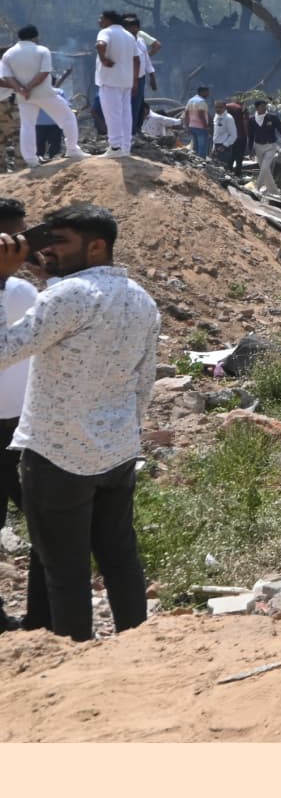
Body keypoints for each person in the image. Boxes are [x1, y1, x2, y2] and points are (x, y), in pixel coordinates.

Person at [0, 204, 159, 642]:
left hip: (56, 455)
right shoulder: (140, 298)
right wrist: (124, 432)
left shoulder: (66, 297)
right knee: (120, 559)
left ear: (96, 247)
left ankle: (75, 661)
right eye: (46, 241)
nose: (48, 250)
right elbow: (144, 382)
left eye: (61, 242)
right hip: (118, 453)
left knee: (65, 572)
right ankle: (138, 645)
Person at [0, 197, 33, 630]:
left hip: (19, 422)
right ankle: (50, 610)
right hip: (20, 424)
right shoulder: (22, 292)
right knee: (44, 518)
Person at [2, 26, 83, 166]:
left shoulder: (8, 54)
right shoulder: (42, 50)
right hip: (44, 93)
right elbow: (45, 72)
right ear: (35, 37)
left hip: (24, 96)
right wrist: (30, 87)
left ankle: (31, 160)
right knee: (67, 117)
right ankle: (72, 149)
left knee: (27, 126)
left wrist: (21, 89)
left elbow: (7, 77)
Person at [93, 11, 140, 157]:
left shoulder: (105, 32)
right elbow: (137, 60)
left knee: (112, 114)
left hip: (110, 80)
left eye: (101, 18)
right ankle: (125, 148)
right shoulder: (129, 36)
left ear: (108, 20)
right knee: (126, 114)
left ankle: (114, 147)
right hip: (126, 81)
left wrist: (104, 59)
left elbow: (100, 45)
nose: (99, 21)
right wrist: (135, 81)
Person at [247, 98, 281, 190]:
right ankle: (274, 191)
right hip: (258, 147)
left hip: (270, 146)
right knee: (265, 170)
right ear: (257, 108)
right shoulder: (252, 120)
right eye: (262, 106)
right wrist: (251, 149)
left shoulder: (272, 118)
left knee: (265, 168)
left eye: (265, 106)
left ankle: (257, 188)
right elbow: (250, 136)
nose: (264, 108)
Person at [181, 85, 213, 158]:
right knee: (202, 146)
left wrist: (187, 124)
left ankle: (195, 160)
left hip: (192, 126)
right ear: (203, 92)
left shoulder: (191, 100)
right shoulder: (201, 101)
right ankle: (201, 161)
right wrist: (206, 126)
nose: (208, 94)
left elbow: (186, 113)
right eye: (207, 92)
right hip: (200, 127)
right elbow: (201, 114)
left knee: (195, 145)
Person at [212, 101, 240, 172]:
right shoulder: (216, 116)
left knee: (223, 168)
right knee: (215, 167)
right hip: (216, 145)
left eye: (220, 107)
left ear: (225, 108)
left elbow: (233, 135)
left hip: (224, 148)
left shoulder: (228, 118)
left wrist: (224, 145)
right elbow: (216, 133)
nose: (218, 109)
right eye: (216, 107)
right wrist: (213, 147)